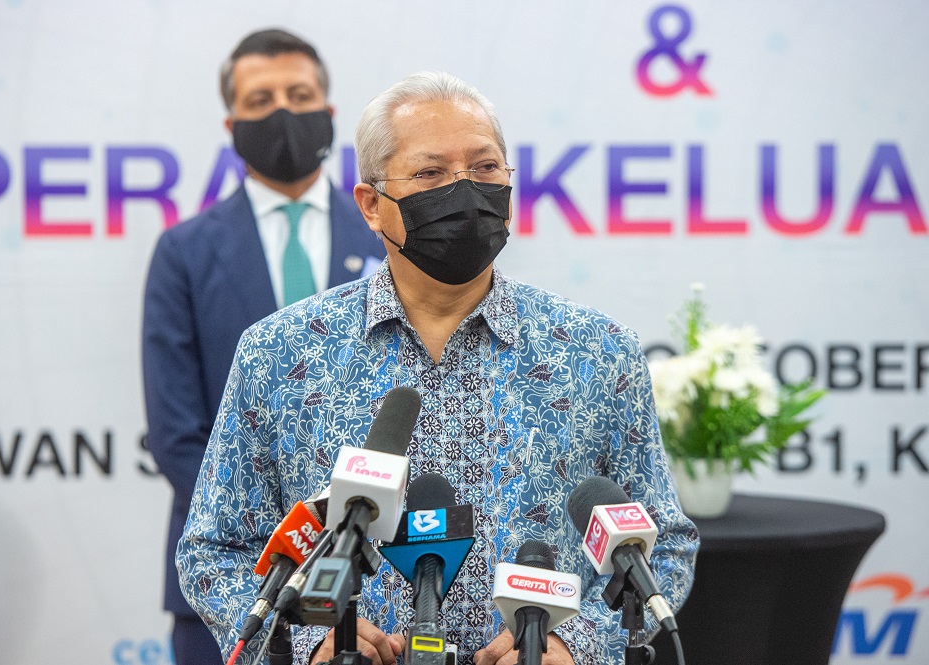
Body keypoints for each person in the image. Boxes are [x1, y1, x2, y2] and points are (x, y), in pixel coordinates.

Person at [177, 71, 698, 665]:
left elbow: (663, 544)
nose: (464, 190)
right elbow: (215, 549)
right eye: (430, 174)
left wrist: (577, 645)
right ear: (372, 205)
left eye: (485, 169)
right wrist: (306, 642)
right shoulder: (280, 352)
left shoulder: (597, 351)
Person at [142, 28, 385, 665]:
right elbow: (175, 432)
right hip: (229, 581)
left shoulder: (391, 240)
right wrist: (282, 541)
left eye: (299, 94)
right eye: (260, 100)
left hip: (381, 572)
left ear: (330, 114)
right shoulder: (184, 253)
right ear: (231, 123)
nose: (282, 111)